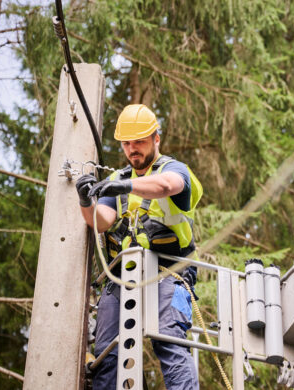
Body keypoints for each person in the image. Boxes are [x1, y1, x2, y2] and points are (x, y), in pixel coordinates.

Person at [75, 104, 201, 390]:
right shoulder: (116, 181)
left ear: (156, 139)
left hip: (167, 272)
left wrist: (127, 187)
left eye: (140, 142)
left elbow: (168, 186)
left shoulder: (172, 169)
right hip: (122, 277)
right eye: (127, 143)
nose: (133, 149)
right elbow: (102, 221)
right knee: (107, 352)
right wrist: (86, 202)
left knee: (168, 340)